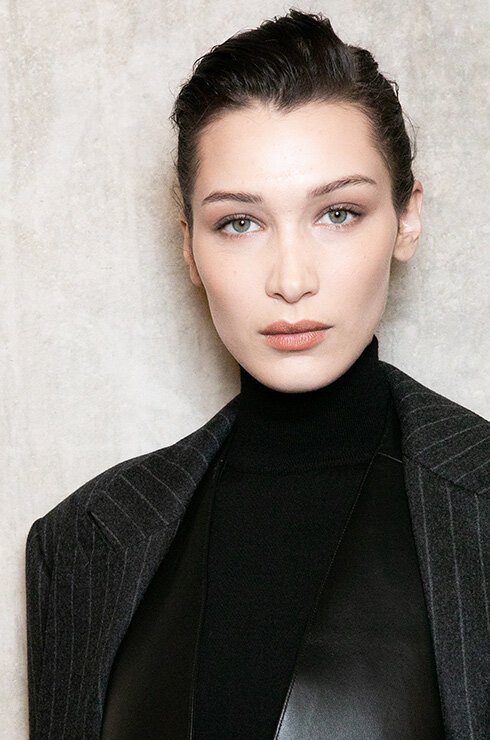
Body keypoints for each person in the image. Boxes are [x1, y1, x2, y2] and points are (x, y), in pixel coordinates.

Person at [25, 9, 489, 740]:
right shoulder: (83, 541)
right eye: (239, 223)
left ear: (406, 218)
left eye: (339, 213)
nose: (291, 280)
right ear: (190, 246)